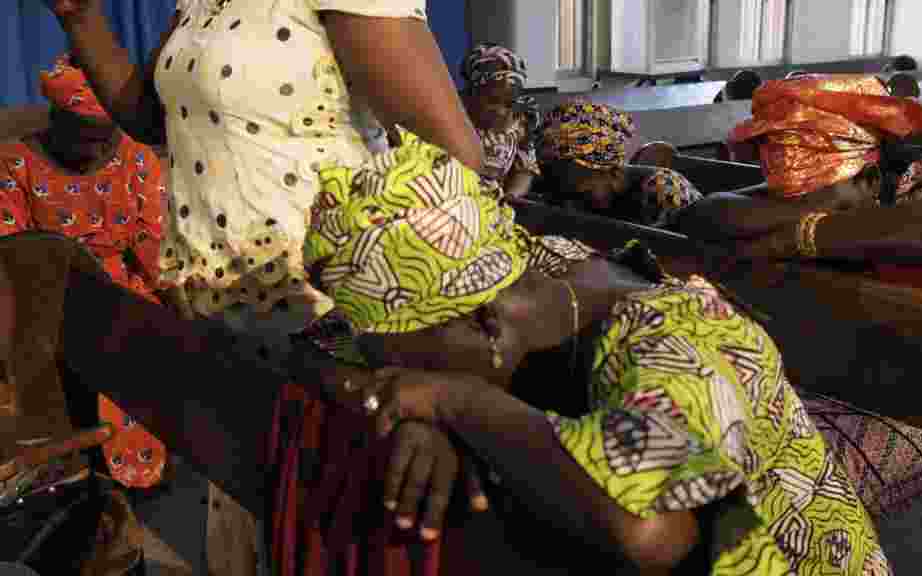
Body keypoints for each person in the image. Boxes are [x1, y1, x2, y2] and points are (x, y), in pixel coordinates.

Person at [301, 130, 893, 574]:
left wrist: (456, 403)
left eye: (409, 364)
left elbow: (650, 531)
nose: (398, 375)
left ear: (485, 321)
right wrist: (417, 414)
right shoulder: (527, 270)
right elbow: (323, 347)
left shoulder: (674, 337)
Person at [40, 0, 487, 573]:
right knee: (242, 540)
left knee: (322, 543)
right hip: (226, 325)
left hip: (334, 334)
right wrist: (82, 19)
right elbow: (157, 116)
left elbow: (456, 166)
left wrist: (445, 376)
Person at [675, 74, 922, 515]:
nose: (794, 208)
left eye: (816, 196)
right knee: (706, 432)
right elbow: (704, 214)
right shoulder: (813, 196)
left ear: (871, 180)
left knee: (806, 476)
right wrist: (801, 210)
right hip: (849, 378)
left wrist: (796, 235)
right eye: (785, 200)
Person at [0, 54, 168, 493]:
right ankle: (59, 473)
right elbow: (12, 256)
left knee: (139, 330)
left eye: (106, 138)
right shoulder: (12, 164)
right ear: (57, 120)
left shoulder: (136, 158)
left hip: (123, 288)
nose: (97, 150)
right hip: (44, 293)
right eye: (85, 137)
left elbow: (157, 250)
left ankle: (135, 471)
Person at [537, 100, 703, 227]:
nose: (575, 206)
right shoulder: (575, 188)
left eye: (585, 195)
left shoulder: (663, 190)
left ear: (614, 173)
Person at [459, 43, 541, 199]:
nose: (502, 111)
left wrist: (511, 196)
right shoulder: (453, 119)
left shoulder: (519, 124)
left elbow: (526, 169)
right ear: (471, 93)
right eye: (493, 101)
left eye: (509, 103)